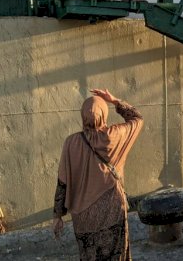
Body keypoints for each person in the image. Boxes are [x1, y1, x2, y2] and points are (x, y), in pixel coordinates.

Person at [53, 89, 144, 260]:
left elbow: (62, 181)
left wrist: (57, 215)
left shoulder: (71, 143)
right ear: (104, 113)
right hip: (112, 210)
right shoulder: (114, 136)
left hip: (83, 217)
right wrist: (114, 100)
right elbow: (137, 119)